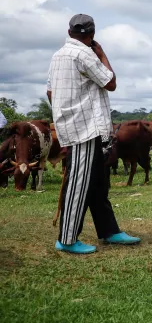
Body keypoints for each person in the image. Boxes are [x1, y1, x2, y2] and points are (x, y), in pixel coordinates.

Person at [47, 13, 139, 254]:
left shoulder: (58, 56)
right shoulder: (85, 54)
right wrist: (102, 54)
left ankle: (109, 230)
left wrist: (63, 116)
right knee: (79, 183)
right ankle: (67, 239)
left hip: (75, 125)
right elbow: (111, 83)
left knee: (98, 181)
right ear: (92, 35)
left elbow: (50, 92)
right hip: (85, 129)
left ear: (69, 32)